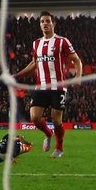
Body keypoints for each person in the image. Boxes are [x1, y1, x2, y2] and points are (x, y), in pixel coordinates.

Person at [13, 12, 83, 158]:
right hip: (41, 86)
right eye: (42, 21)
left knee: (56, 119)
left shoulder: (62, 41)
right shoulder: (36, 43)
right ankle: (48, 133)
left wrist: (78, 77)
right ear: (40, 25)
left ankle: (59, 148)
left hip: (58, 86)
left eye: (47, 21)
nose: (45, 23)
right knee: (34, 117)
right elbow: (34, 63)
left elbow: (77, 60)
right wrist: (18, 75)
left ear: (53, 24)